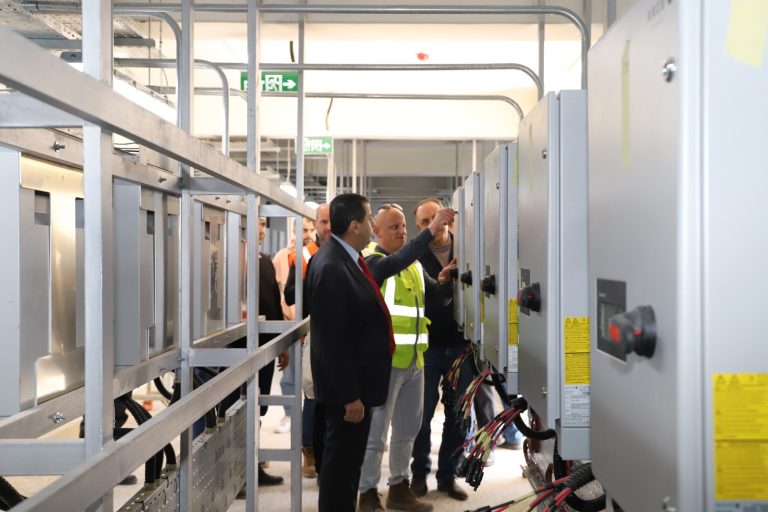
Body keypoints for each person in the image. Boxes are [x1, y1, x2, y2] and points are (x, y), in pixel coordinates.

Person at [357, 203, 456, 512]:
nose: (401, 231)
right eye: (393, 227)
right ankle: (367, 493)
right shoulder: (371, 261)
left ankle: (399, 487)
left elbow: (436, 298)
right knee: (376, 435)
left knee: (407, 431)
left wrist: (444, 280)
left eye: (403, 226)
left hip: (414, 362)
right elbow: (396, 261)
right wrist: (431, 231)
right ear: (376, 231)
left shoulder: (412, 266)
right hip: (384, 364)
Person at [305, 193, 393, 512]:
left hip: (356, 385)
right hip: (348, 393)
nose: (373, 225)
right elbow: (332, 340)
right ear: (355, 225)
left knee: (347, 465)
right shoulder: (332, 265)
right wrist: (349, 395)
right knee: (340, 467)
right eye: (370, 219)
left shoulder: (343, 257)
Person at [410, 197, 474, 501]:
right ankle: (418, 473)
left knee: (459, 414)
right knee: (421, 416)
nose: (433, 224)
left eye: (436, 217)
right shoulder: (414, 255)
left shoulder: (469, 247)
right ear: (419, 226)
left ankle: (448, 476)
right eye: (425, 221)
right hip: (427, 346)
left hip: (463, 345)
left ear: (448, 216)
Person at [282, 204, 332, 478]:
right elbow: (290, 295)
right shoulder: (303, 255)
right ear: (316, 225)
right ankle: (309, 451)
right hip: (312, 334)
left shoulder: (351, 252)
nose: (328, 226)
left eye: (331, 221)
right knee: (312, 396)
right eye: (323, 222)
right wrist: (317, 283)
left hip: (339, 336)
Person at [274, 217, 317, 434]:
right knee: (290, 377)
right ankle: (290, 415)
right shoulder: (284, 257)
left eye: (310, 230)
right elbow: (279, 293)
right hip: (289, 325)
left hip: (309, 327)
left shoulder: (314, 254)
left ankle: (308, 424)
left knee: (310, 379)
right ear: (294, 232)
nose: (307, 234)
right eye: (303, 230)